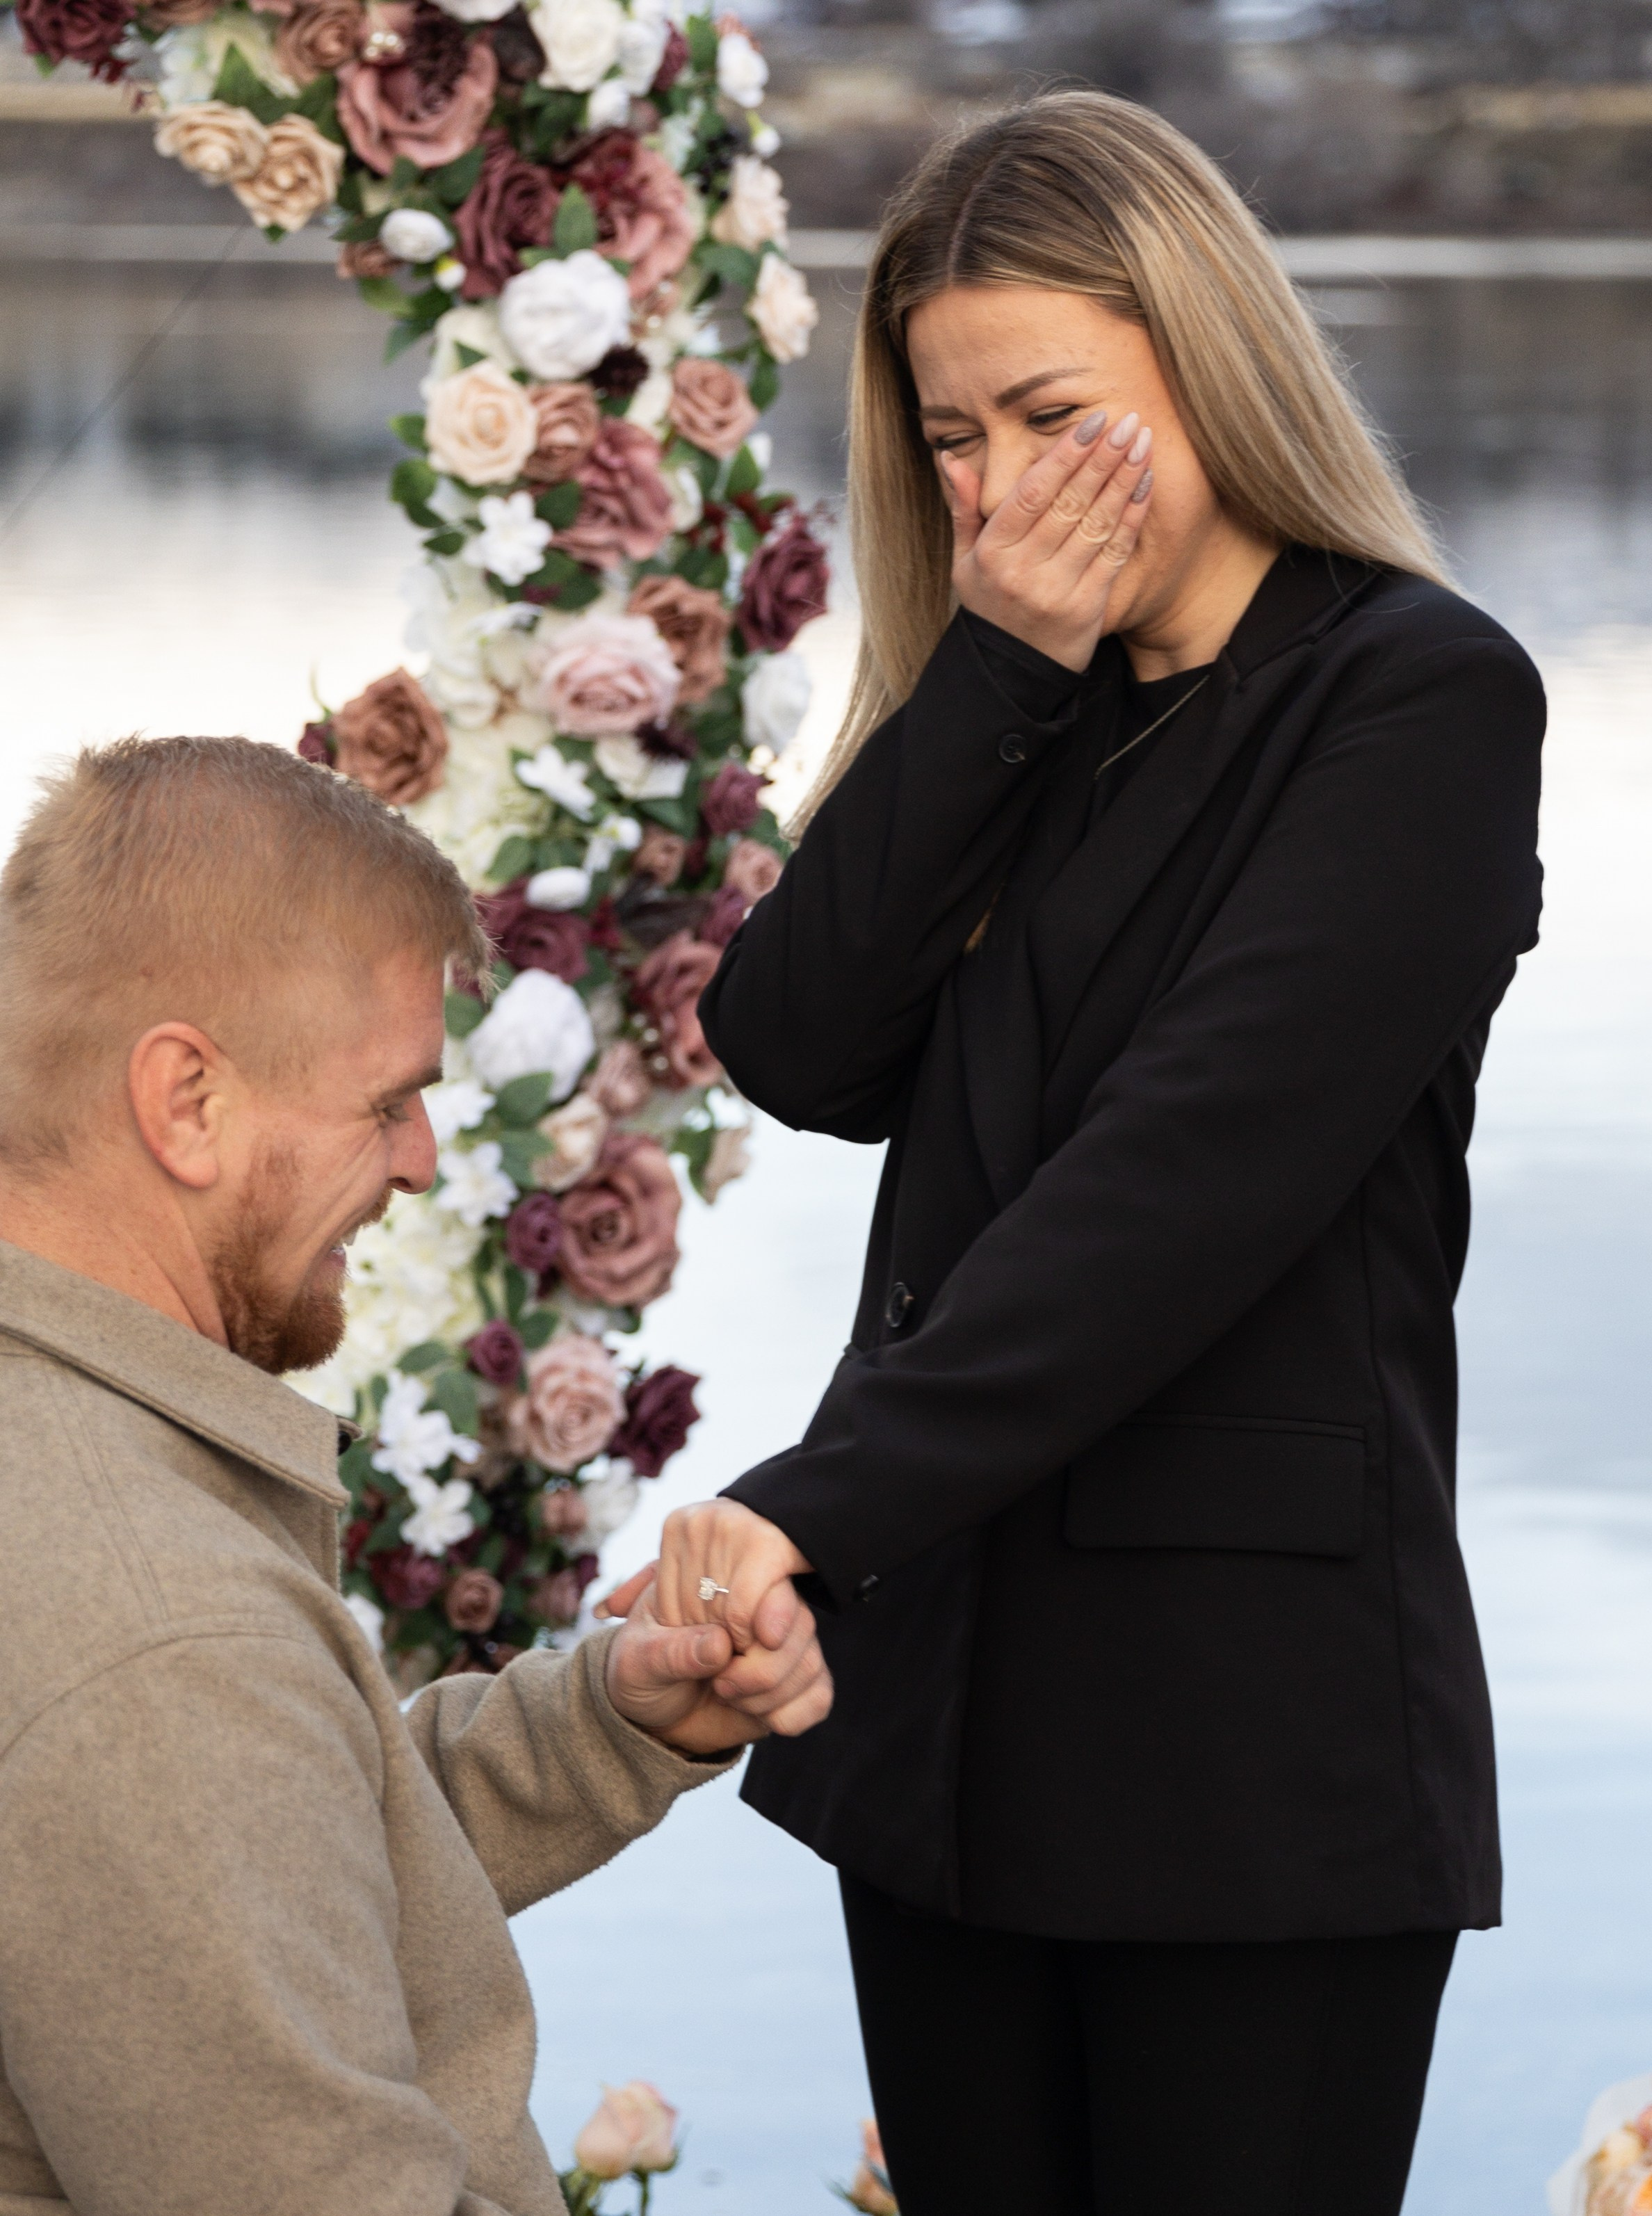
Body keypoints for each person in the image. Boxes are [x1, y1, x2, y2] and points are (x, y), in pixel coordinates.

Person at [642, 90, 1546, 2216]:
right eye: (951, 438)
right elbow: (793, 1043)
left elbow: (1175, 1192)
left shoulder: (1418, 701)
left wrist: (805, 1507)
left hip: (1246, 1756)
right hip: (942, 1725)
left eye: (1051, 414)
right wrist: (993, 670)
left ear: (1208, 358)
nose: (997, 487)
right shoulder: (1021, 702)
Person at [0, 735, 831, 2216]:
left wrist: (602, 1724)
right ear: (186, 1098)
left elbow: (262, 1863)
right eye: (388, 1100)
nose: (426, 1160)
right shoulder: (159, 1629)